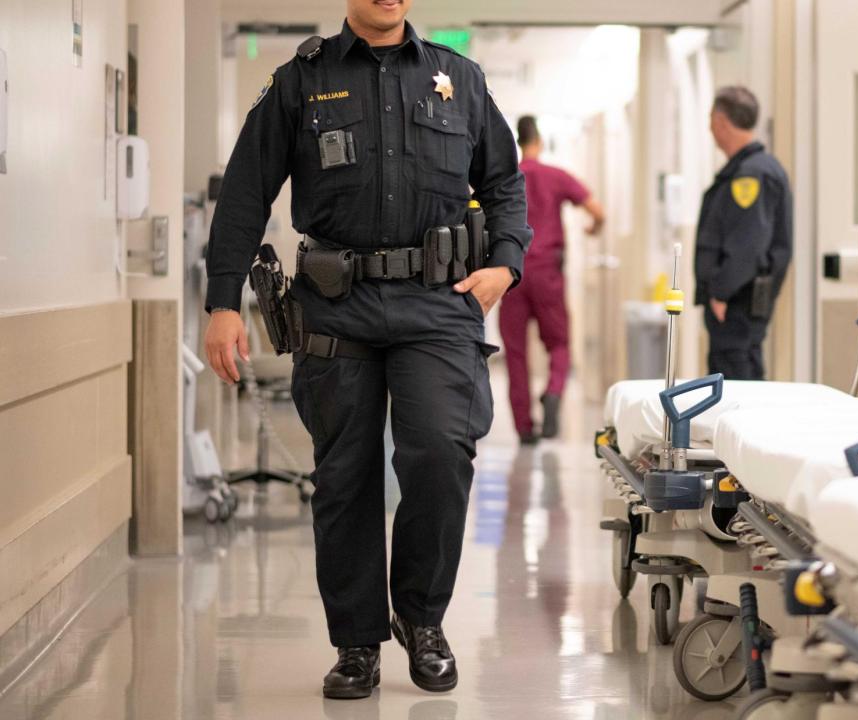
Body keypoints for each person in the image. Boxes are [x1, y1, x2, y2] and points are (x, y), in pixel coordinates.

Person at [202, 0, 530, 700]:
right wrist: (223, 300)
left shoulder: (458, 78)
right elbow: (246, 191)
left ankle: (422, 618)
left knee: (442, 454)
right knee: (344, 478)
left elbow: (504, 181)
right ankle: (355, 642)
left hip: (437, 304)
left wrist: (505, 264)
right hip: (336, 303)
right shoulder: (302, 80)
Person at [498, 116, 605, 444]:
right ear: (539, 141)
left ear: (518, 142)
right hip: (548, 273)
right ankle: (554, 390)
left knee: (515, 352)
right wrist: (593, 229)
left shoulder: (507, 176)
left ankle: (524, 427)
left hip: (511, 273)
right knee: (558, 343)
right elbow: (597, 211)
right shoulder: (555, 175)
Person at [694, 86, 793, 380]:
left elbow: (747, 244)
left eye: (711, 119)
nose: (710, 128)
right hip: (739, 301)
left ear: (722, 122)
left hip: (737, 302)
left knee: (736, 384)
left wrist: (722, 291)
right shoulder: (752, 169)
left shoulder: (751, 175)